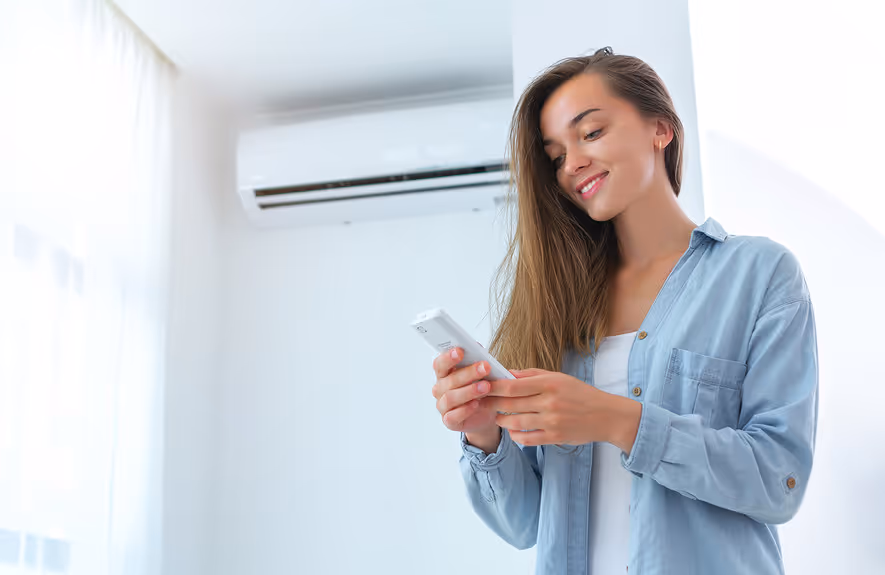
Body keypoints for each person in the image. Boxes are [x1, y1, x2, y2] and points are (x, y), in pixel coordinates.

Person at [430, 47, 818, 575]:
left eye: (590, 133)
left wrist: (613, 419)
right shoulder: (561, 302)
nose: (573, 165)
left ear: (661, 128)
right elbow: (522, 526)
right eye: (556, 156)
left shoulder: (759, 274)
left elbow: (780, 481)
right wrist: (483, 432)